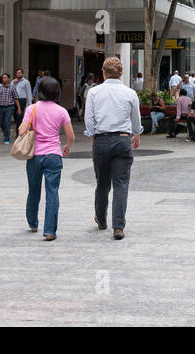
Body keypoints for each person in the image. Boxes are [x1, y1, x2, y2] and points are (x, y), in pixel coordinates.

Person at [83, 57, 141, 239]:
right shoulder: (130, 93)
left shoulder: (94, 92)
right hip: (123, 139)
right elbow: (136, 119)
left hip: (102, 138)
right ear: (121, 72)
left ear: (103, 72)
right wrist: (136, 133)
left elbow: (89, 118)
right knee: (121, 184)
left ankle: (101, 218)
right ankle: (118, 226)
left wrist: (92, 135)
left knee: (102, 183)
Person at [17, 75, 75, 240]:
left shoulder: (32, 109)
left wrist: (28, 126)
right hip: (54, 155)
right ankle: (50, 230)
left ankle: (33, 223)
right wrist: (67, 146)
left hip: (35, 155)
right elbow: (70, 136)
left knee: (33, 190)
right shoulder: (62, 111)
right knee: (52, 192)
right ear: (57, 92)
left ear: (40, 92)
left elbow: (22, 131)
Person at [0, 72, 18, 144]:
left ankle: (6, 137)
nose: (4, 79)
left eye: (5, 77)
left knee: (7, 122)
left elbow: (16, 98)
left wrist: (19, 108)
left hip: (9, 107)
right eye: (3, 78)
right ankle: (6, 131)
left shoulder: (12, 88)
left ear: (8, 79)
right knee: (0, 121)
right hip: (1, 107)